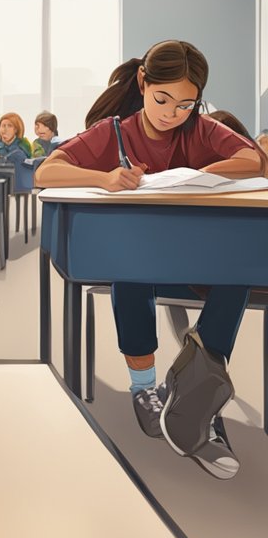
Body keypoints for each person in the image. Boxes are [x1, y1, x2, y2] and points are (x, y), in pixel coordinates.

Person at [34, 41, 264, 479]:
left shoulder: (200, 129)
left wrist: (202, 175)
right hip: (141, 257)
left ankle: (196, 394)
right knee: (130, 269)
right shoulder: (114, 132)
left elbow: (253, 159)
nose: (172, 113)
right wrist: (103, 177)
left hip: (196, 259)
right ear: (143, 83)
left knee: (238, 271)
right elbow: (47, 171)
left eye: (186, 104)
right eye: (162, 99)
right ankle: (147, 390)